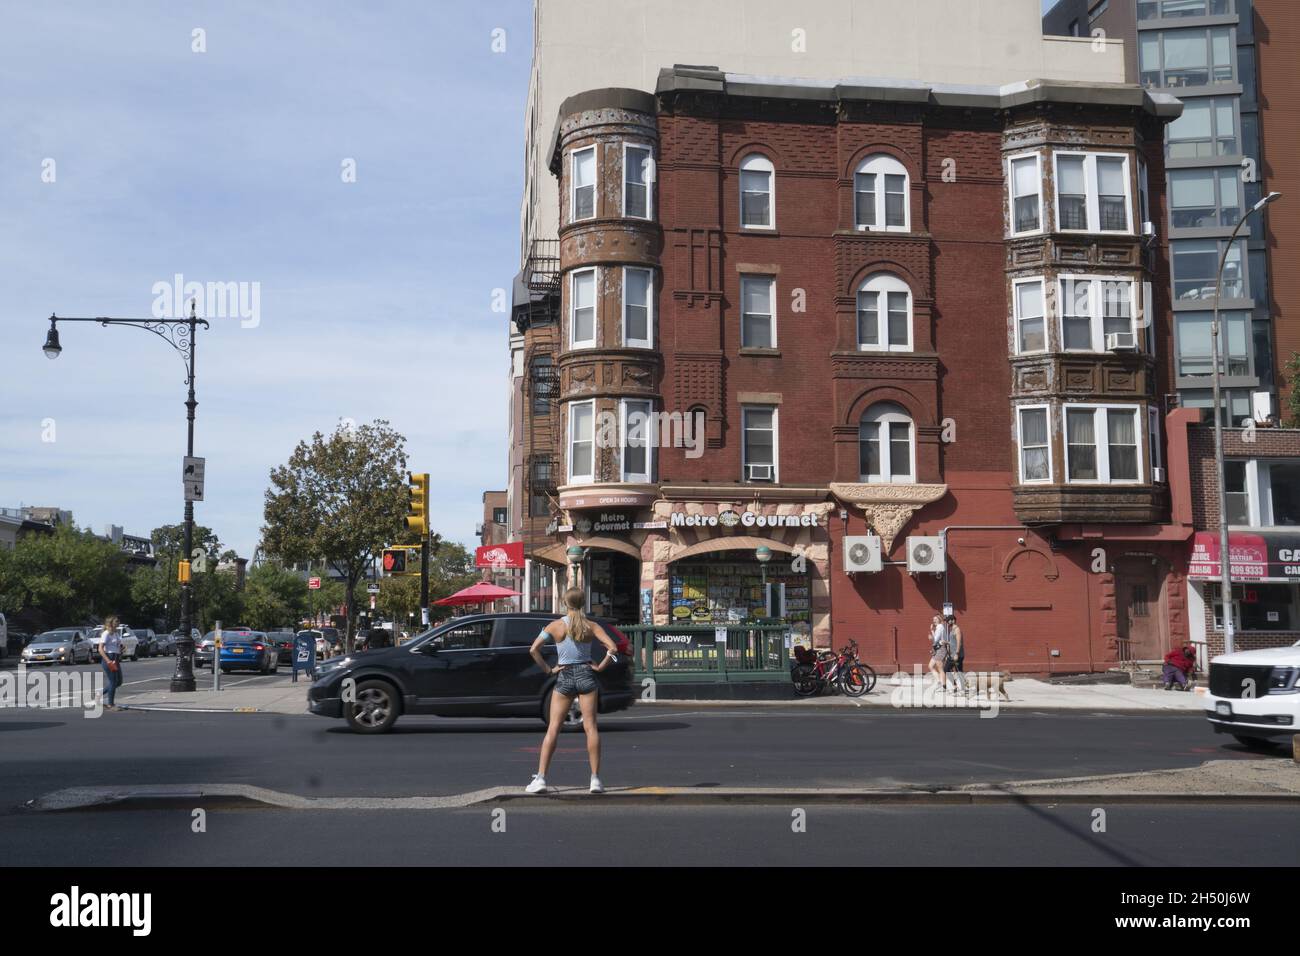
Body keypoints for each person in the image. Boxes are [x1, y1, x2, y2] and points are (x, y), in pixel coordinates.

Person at [526, 587, 619, 795]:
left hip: (564, 675)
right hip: (587, 674)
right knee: (591, 727)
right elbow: (613, 649)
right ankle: (595, 779)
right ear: (583, 603)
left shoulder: (555, 625)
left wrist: (549, 670)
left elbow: (533, 650)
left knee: (553, 728)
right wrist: (602, 665)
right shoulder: (591, 625)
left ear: (564, 602)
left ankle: (540, 778)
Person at [99, 615, 124, 711]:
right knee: (113, 681)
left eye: (118, 621)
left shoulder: (116, 633)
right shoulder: (106, 633)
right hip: (109, 658)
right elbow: (100, 649)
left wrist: (121, 648)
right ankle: (110, 704)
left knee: (119, 682)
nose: (118, 623)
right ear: (111, 623)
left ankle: (99, 694)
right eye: (116, 621)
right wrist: (108, 660)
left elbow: (117, 646)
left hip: (116, 658)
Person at [944, 614, 966, 693]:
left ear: (953, 620)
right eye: (946, 621)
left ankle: (962, 688)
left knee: (958, 671)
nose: (947, 622)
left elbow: (959, 643)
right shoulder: (952, 630)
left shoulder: (957, 629)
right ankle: (956, 686)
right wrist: (946, 642)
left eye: (948, 620)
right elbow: (953, 642)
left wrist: (956, 653)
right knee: (946, 669)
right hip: (952, 655)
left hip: (957, 655)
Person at [927, 614, 949, 686]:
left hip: (941, 649)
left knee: (940, 668)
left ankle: (943, 685)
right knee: (930, 666)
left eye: (936, 619)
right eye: (933, 619)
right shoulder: (938, 627)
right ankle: (939, 681)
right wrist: (932, 631)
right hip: (937, 649)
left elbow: (935, 640)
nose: (934, 621)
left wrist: (931, 634)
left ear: (939, 620)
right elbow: (935, 640)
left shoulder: (940, 627)